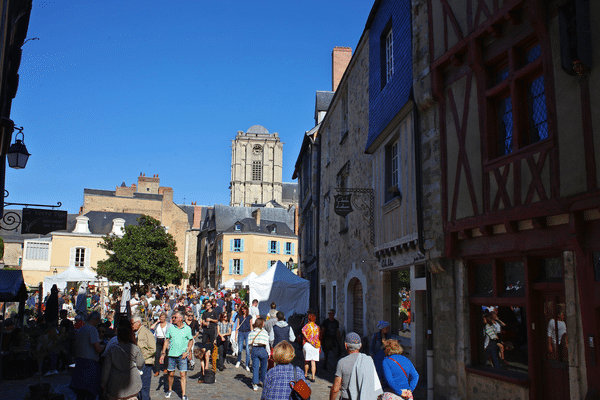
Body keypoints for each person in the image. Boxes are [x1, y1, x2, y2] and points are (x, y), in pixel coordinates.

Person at [330, 332, 383, 400]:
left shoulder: (342, 362)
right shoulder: (368, 360)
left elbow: (336, 389)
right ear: (360, 346)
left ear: (345, 345)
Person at [101, 325, 145, 400]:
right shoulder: (135, 348)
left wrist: (103, 383)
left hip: (115, 387)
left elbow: (106, 370)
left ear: (118, 337)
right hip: (133, 385)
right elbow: (140, 364)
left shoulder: (112, 350)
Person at [69, 311, 106, 400]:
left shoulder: (80, 330)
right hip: (90, 364)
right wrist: (105, 346)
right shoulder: (92, 330)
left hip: (79, 363)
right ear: (97, 319)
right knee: (90, 394)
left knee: (80, 395)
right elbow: (97, 348)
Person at [160, 311, 194, 400]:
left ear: (181, 318)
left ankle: (184, 394)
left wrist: (187, 351)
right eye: (173, 317)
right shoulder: (171, 328)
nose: (173, 319)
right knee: (170, 374)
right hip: (171, 355)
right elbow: (166, 340)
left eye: (175, 317)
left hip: (182, 355)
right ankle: (170, 389)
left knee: (183, 375)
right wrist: (163, 353)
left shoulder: (187, 329)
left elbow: (191, 340)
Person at [132, 316, 156, 400]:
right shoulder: (136, 332)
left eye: (133, 324)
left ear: (138, 323)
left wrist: (141, 357)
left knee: (144, 387)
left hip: (145, 363)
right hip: (138, 363)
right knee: (138, 387)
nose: (132, 326)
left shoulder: (146, 332)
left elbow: (153, 348)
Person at [248, 317, 270, 391]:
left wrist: (251, 350)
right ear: (261, 324)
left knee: (255, 367)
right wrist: (269, 352)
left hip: (254, 349)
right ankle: (263, 382)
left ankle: (255, 384)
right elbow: (267, 344)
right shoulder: (264, 332)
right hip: (263, 349)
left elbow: (249, 344)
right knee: (264, 367)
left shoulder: (252, 332)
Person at [301, 311, 320, 382]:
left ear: (308, 319)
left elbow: (303, 332)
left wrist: (308, 339)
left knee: (306, 361)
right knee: (313, 361)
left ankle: (305, 374)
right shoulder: (317, 327)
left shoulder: (307, 326)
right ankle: (313, 377)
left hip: (308, 344)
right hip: (315, 345)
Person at [235, 304, 252, 371]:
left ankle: (247, 365)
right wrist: (236, 335)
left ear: (246, 309)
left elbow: (251, 326)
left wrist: (252, 335)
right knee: (240, 349)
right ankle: (239, 361)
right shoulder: (239, 316)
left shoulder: (249, 316)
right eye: (242, 310)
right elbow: (237, 325)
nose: (243, 311)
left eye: (244, 309)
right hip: (241, 332)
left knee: (248, 350)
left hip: (248, 333)